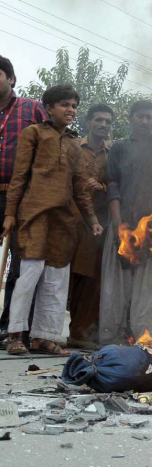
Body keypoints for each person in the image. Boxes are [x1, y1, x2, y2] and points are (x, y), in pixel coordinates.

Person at [2, 85, 101, 355]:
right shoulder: (32, 133)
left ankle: (43, 337)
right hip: (34, 214)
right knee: (29, 275)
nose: (71, 110)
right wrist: (10, 214)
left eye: (74, 106)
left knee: (57, 279)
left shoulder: (74, 144)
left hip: (64, 221)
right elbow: (19, 177)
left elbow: (80, 187)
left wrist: (91, 218)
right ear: (48, 108)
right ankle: (15, 335)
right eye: (65, 105)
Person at [98, 52, 152, 344]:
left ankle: (142, 339)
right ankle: (112, 340)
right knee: (116, 288)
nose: (146, 121)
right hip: (122, 223)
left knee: (146, 289)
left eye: (150, 117)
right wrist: (118, 226)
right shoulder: (120, 148)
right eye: (141, 116)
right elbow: (113, 186)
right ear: (131, 119)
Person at [0, 56, 47, 344]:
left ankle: (11, 328)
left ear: (11, 79)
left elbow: (54, 140)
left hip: (20, 196)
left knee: (21, 263)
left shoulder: (32, 108)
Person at [66, 104, 114, 350]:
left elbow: (117, 185)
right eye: (99, 120)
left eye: (107, 121)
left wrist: (103, 188)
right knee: (69, 277)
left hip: (99, 225)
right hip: (70, 220)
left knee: (92, 278)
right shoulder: (74, 148)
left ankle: (81, 332)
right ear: (88, 122)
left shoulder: (112, 153)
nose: (103, 125)